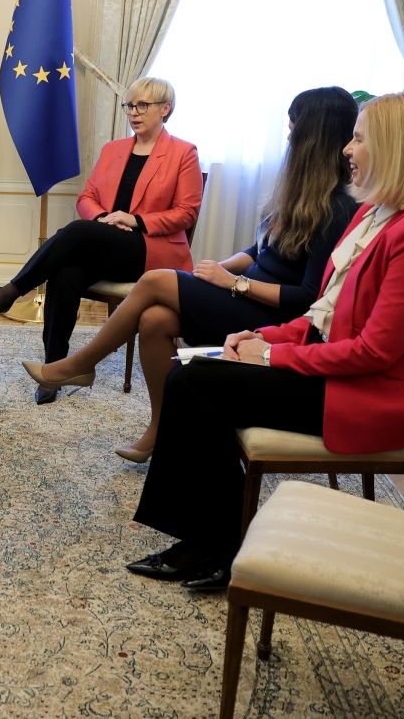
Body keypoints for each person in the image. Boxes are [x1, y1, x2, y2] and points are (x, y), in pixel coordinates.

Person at [126, 91, 404, 592]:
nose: (347, 149)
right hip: (337, 373)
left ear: (397, 147)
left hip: (367, 394)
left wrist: (272, 356)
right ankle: (208, 540)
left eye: (359, 139)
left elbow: (376, 352)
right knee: (190, 371)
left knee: (195, 384)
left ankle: (212, 546)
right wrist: (260, 335)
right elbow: (322, 313)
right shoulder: (375, 214)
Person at [24, 87, 360, 461]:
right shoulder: (299, 196)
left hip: (271, 318)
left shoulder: (337, 210)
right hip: (245, 296)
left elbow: (308, 299)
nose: (288, 137)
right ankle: (160, 430)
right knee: (154, 320)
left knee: (155, 280)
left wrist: (234, 283)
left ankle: (81, 365)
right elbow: (258, 252)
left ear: (312, 136)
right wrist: (219, 270)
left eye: (293, 128)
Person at [0, 77, 203, 405]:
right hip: (105, 242)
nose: (133, 113)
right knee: (66, 272)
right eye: (129, 106)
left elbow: (186, 213)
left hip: (149, 250)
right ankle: (54, 368)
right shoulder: (113, 150)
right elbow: (87, 197)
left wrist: (133, 220)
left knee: (78, 232)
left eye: (142, 106)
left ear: (165, 109)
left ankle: (12, 291)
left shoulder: (183, 153)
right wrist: (104, 219)